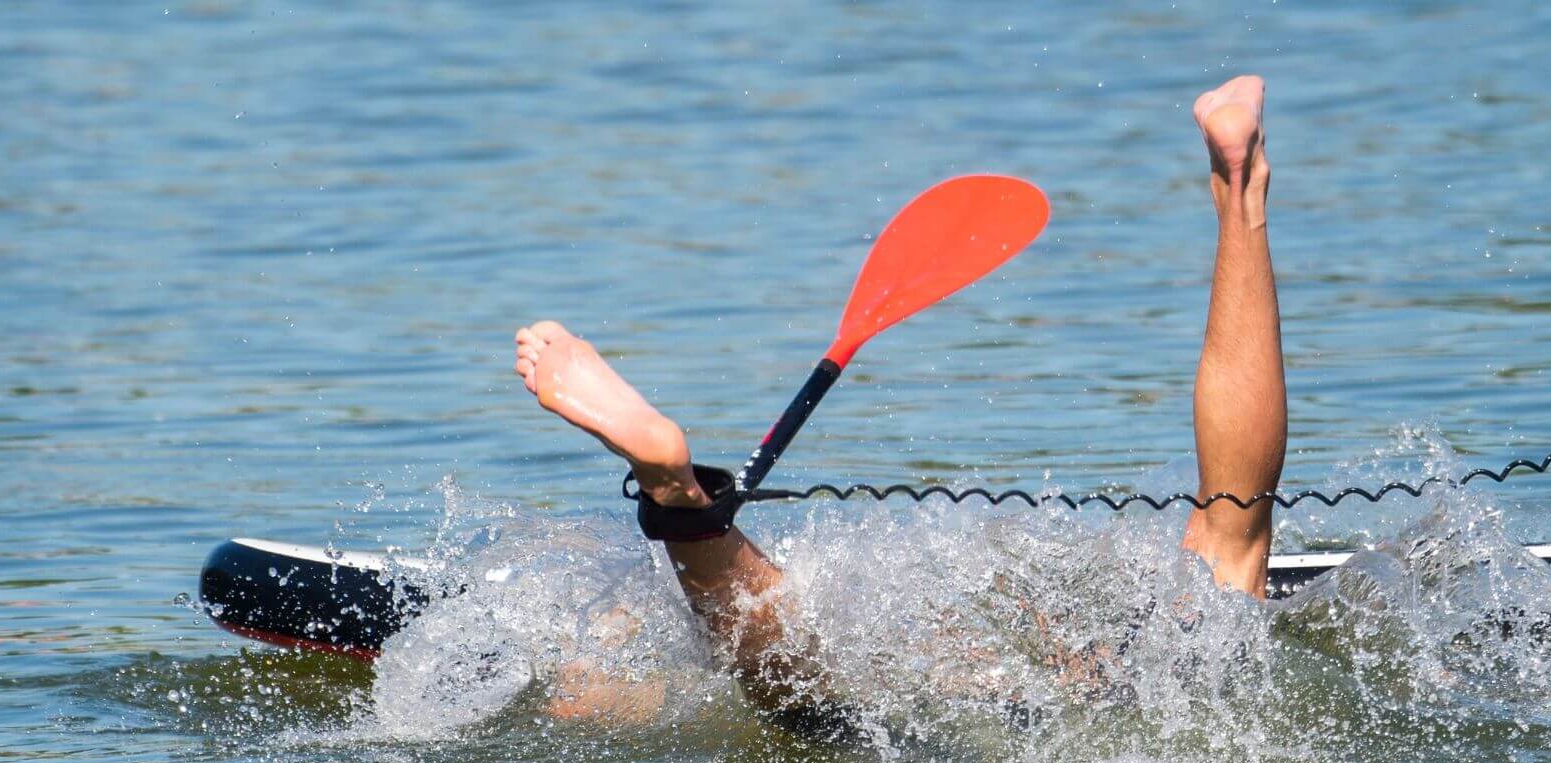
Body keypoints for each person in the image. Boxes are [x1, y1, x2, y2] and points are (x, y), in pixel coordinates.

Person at [511, 75, 1285, 722]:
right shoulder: (1143, 688)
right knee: (1232, 538)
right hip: (1060, 711)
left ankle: (683, 506)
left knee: (807, 697)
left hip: (965, 659)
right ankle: (1240, 192)